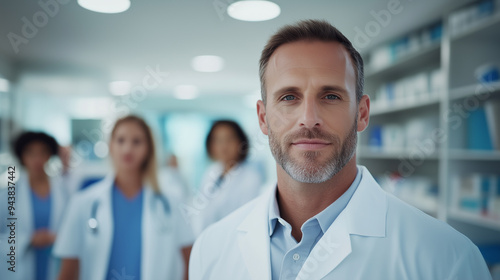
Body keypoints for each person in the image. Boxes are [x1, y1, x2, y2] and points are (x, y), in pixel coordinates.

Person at [189, 20, 491, 280]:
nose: (309, 118)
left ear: (361, 114)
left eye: (331, 96)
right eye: (289, 97)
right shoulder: (211, 248)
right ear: (263, 118)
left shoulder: (447, 258)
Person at [53, 115, 193, 280]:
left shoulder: (171, 202)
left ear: (149, 148)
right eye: (121, 140)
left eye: (137, 142)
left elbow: (190, 262)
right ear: (110, 146)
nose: (127, 149)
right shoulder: (83, 202)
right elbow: (68, 271)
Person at [0, 132, 67, 280]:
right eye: (31, 153)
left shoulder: (63, 191)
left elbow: (72, 229)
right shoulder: (9, 194)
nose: (37, 159)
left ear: (49, 155)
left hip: (55, 265)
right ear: (22, 157)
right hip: (20, 268)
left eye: (42, 152)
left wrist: (58, 237)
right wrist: (28, 240)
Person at [191, 120, 264, 236]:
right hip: (207, 237)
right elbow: (202, 210)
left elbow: (246, 217)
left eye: (229, 139)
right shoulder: (211, 171)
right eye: (218, 141)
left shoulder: (250, 177)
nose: (223, 146)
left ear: (241, 142)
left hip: (234, 239)